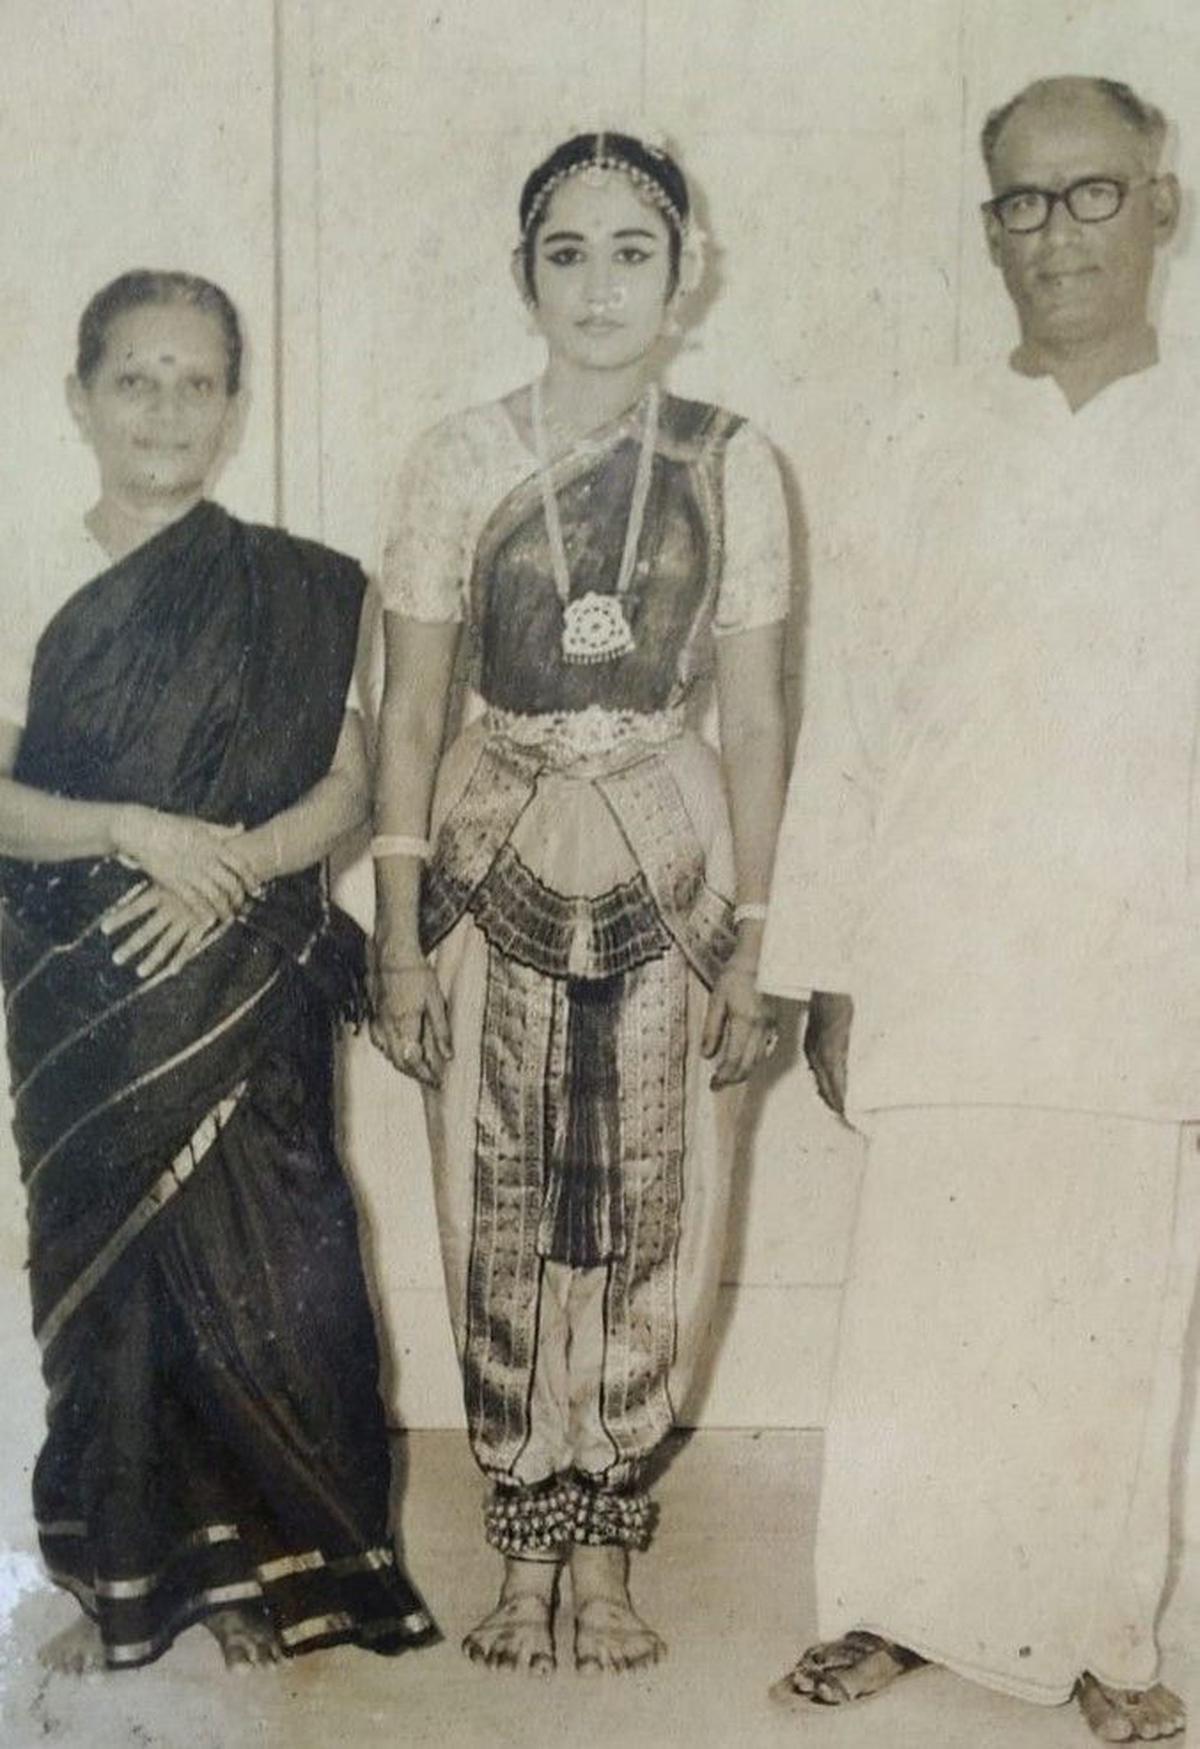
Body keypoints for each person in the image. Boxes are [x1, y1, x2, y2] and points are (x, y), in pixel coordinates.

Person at [761, 76, 1195, 1743]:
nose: (1054, 234)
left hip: (1144, 944)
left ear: (1162, 207)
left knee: (1112, 1294)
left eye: (1090, 197)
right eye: (1020, 203)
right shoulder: (915, 440)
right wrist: (828, 966)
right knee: (926, 1295)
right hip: (941, 936)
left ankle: (1103, 1631)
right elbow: (851, 723)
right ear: (987, 228)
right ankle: (888, 1601)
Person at [370, 129, 790, 1677]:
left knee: (651, 1208)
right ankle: (518, 1545)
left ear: (688, 276)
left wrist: (758, 935)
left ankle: (609, 1543)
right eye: (569, 250)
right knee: (499, 1204)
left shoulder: (735, 458)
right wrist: (403, 931)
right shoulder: (456, 458)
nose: (601, 284)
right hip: (495, 845)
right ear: (523, 273)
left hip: (671, 852)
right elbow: (409, 713)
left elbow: (754, 721)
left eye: (634, 250)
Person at [0, 270, 436, 1674]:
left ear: (236, 405)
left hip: (245, 963)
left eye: (198, 381)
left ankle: (264, 1563)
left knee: (282, 1262)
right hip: (88, 982)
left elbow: (349, 784)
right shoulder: (22, 570)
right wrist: (136, 832)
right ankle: (118, 1575)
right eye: (136, 378)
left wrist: (231, 868)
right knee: (114, 1283)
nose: (167, 408)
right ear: (79, 398)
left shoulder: (294, 586)